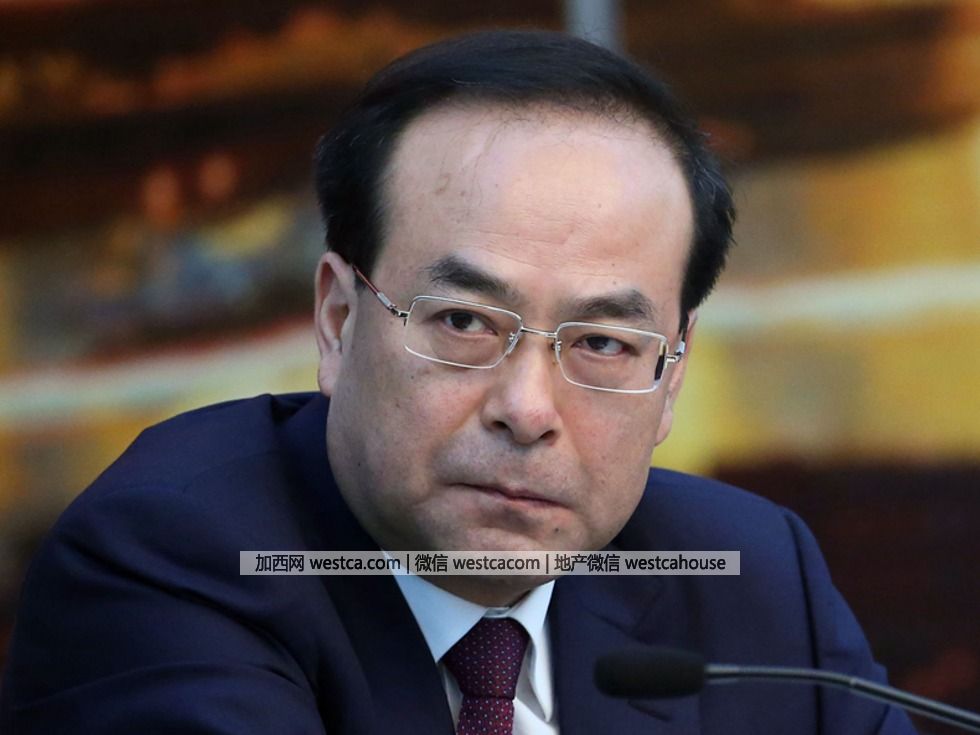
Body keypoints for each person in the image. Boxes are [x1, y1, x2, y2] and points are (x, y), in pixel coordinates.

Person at [0, 30, 916, 735]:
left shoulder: (752, 576)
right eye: (466, 323)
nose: (527, 410)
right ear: (338, 320)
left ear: (671, 376)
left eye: (603, 342)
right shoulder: (169, 560)